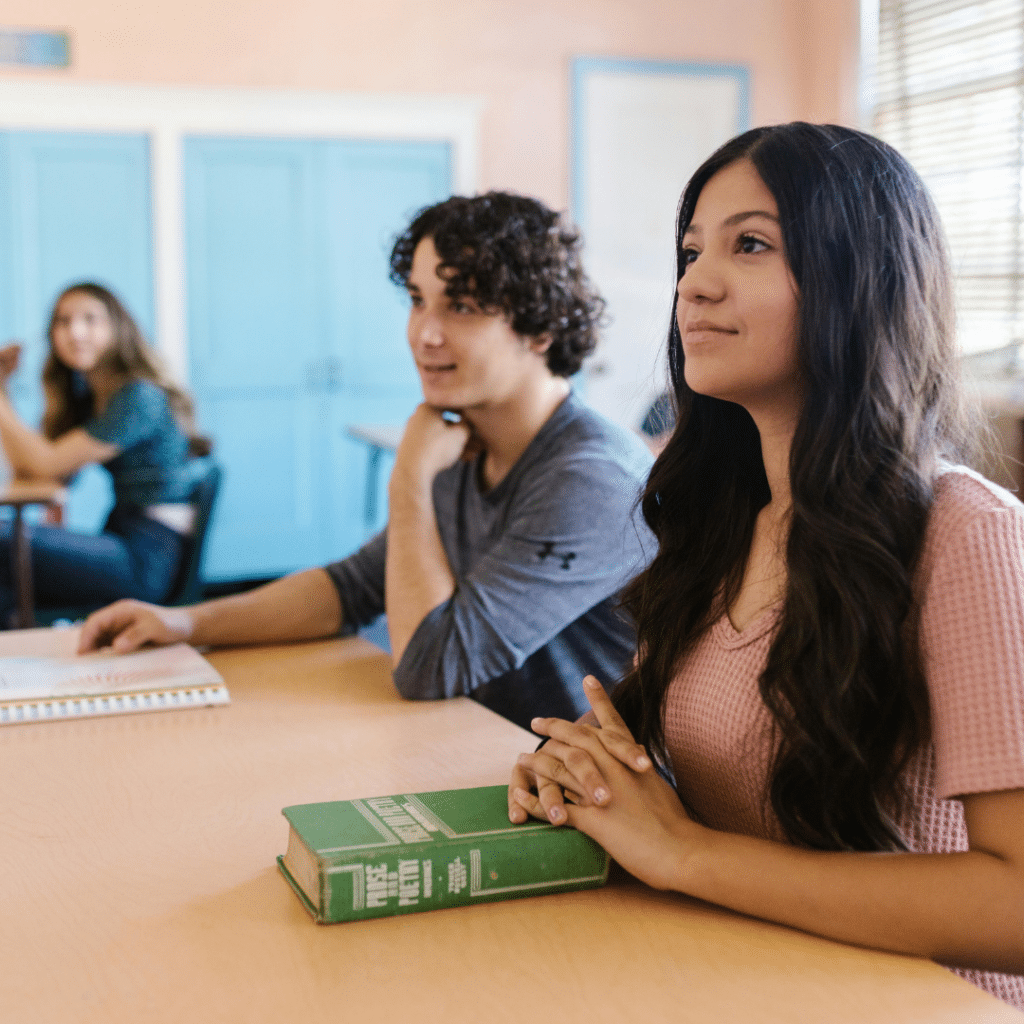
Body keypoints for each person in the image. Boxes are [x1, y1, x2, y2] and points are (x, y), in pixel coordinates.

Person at [507, 124, 1024, 1009]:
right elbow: (720, 792)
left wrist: (687, 855)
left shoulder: (967, 536)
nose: (694, 283)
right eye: (691, 249)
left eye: (750, 244)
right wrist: (593, 780)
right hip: (740, 981)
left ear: (861, 281)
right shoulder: (723, 520)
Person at [80, 192, 654, 730]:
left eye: (461, 306)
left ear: (541, 327)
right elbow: (350, 588)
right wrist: (186, 622)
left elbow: (429, 667)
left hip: (589, 800)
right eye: (417, 300)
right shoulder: (466, 440)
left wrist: (408, 481)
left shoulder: (591, 477)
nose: (424, 334)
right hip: (477, 751)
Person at [0, 282, 210, 621]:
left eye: (90, 319)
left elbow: (46, 465)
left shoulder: (137, 397)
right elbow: (37, 470)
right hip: (126, 539)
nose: (75, 332)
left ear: (118, 327)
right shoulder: (94, 396)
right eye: (62, 321)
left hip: (147, 559)